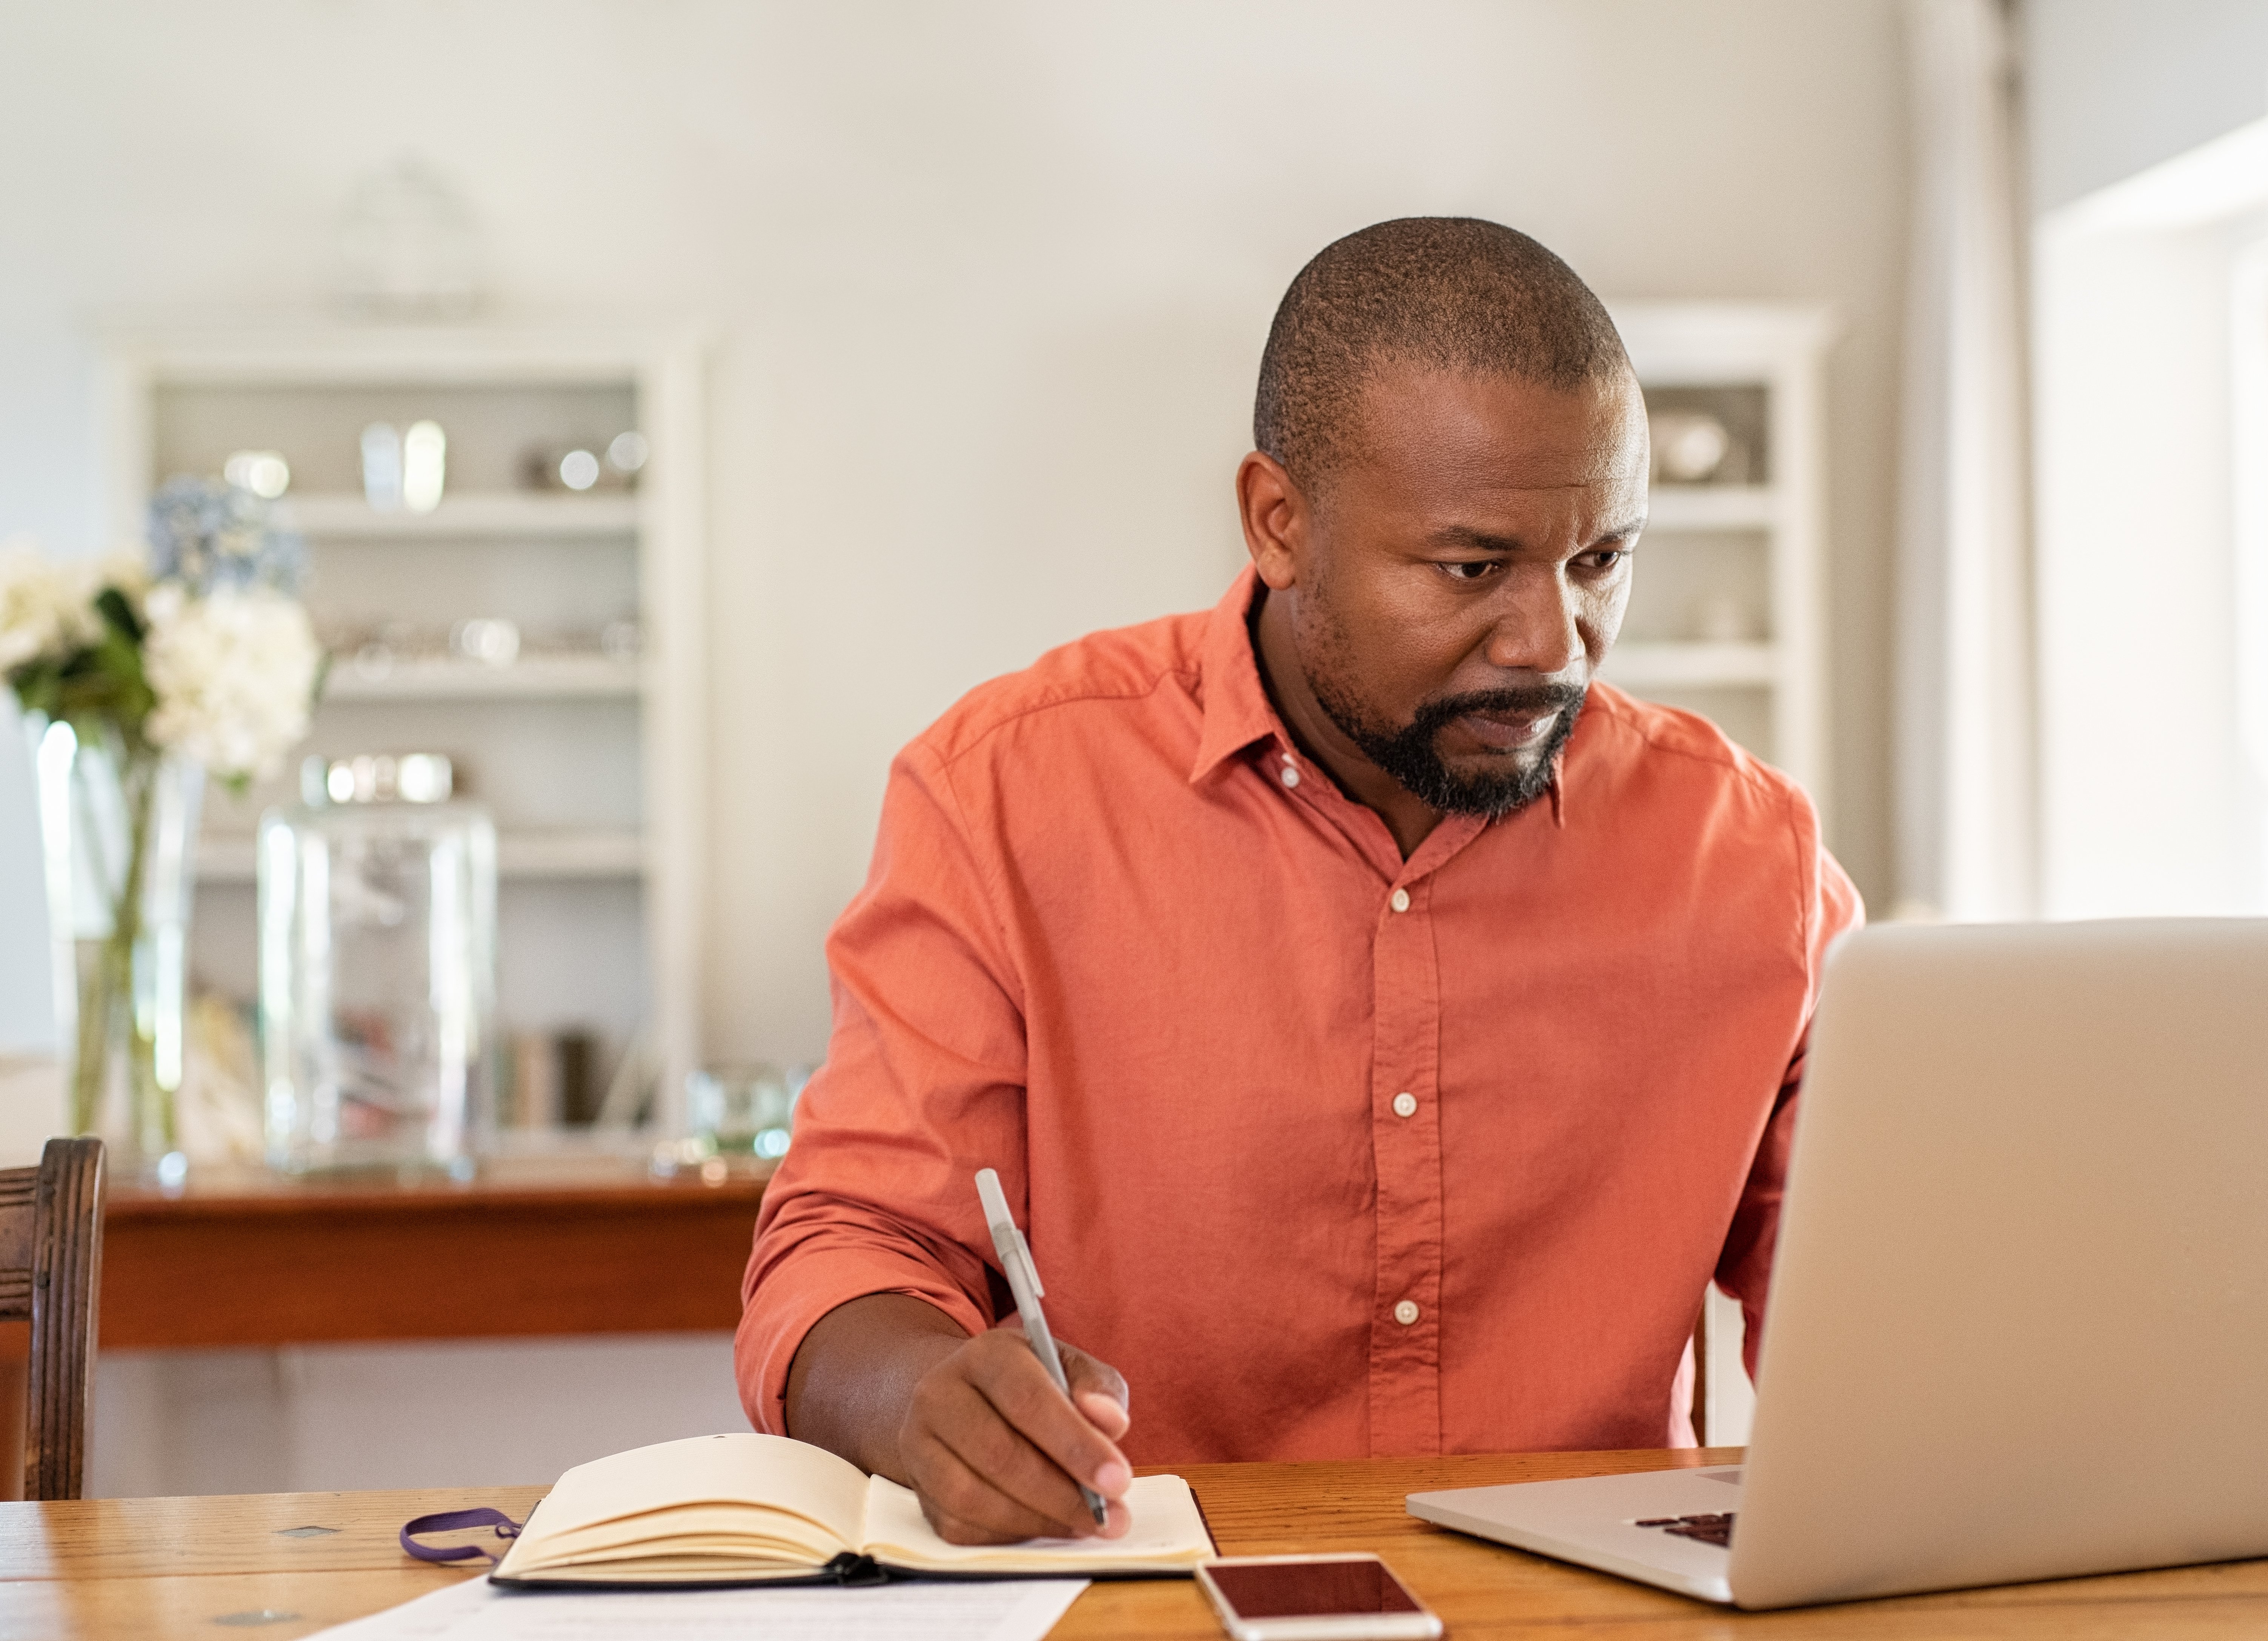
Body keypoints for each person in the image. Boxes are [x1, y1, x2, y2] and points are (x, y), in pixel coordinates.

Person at [736, 217, 1862, 1547]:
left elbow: (1880, 1316)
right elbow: (847, 1244)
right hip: (1150, 1606)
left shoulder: (1752, 861)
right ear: (1278, 523)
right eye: (1471, 567)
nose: (1553, 643)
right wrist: (923, 1396)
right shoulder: (1005, 796)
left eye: (1600, 560)